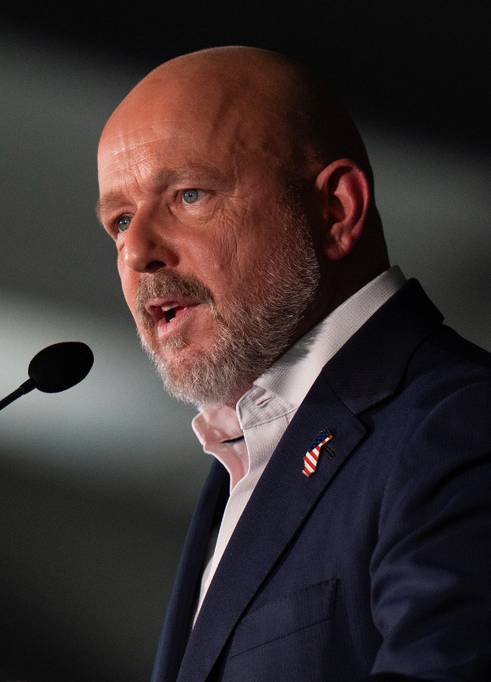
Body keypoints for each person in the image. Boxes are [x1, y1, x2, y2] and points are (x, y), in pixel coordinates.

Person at [95, 46, 491, 681]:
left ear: (336, 210)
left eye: (190, 194)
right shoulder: (247, 455)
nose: (137, 249)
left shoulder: (460, 426)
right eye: (118, 220)